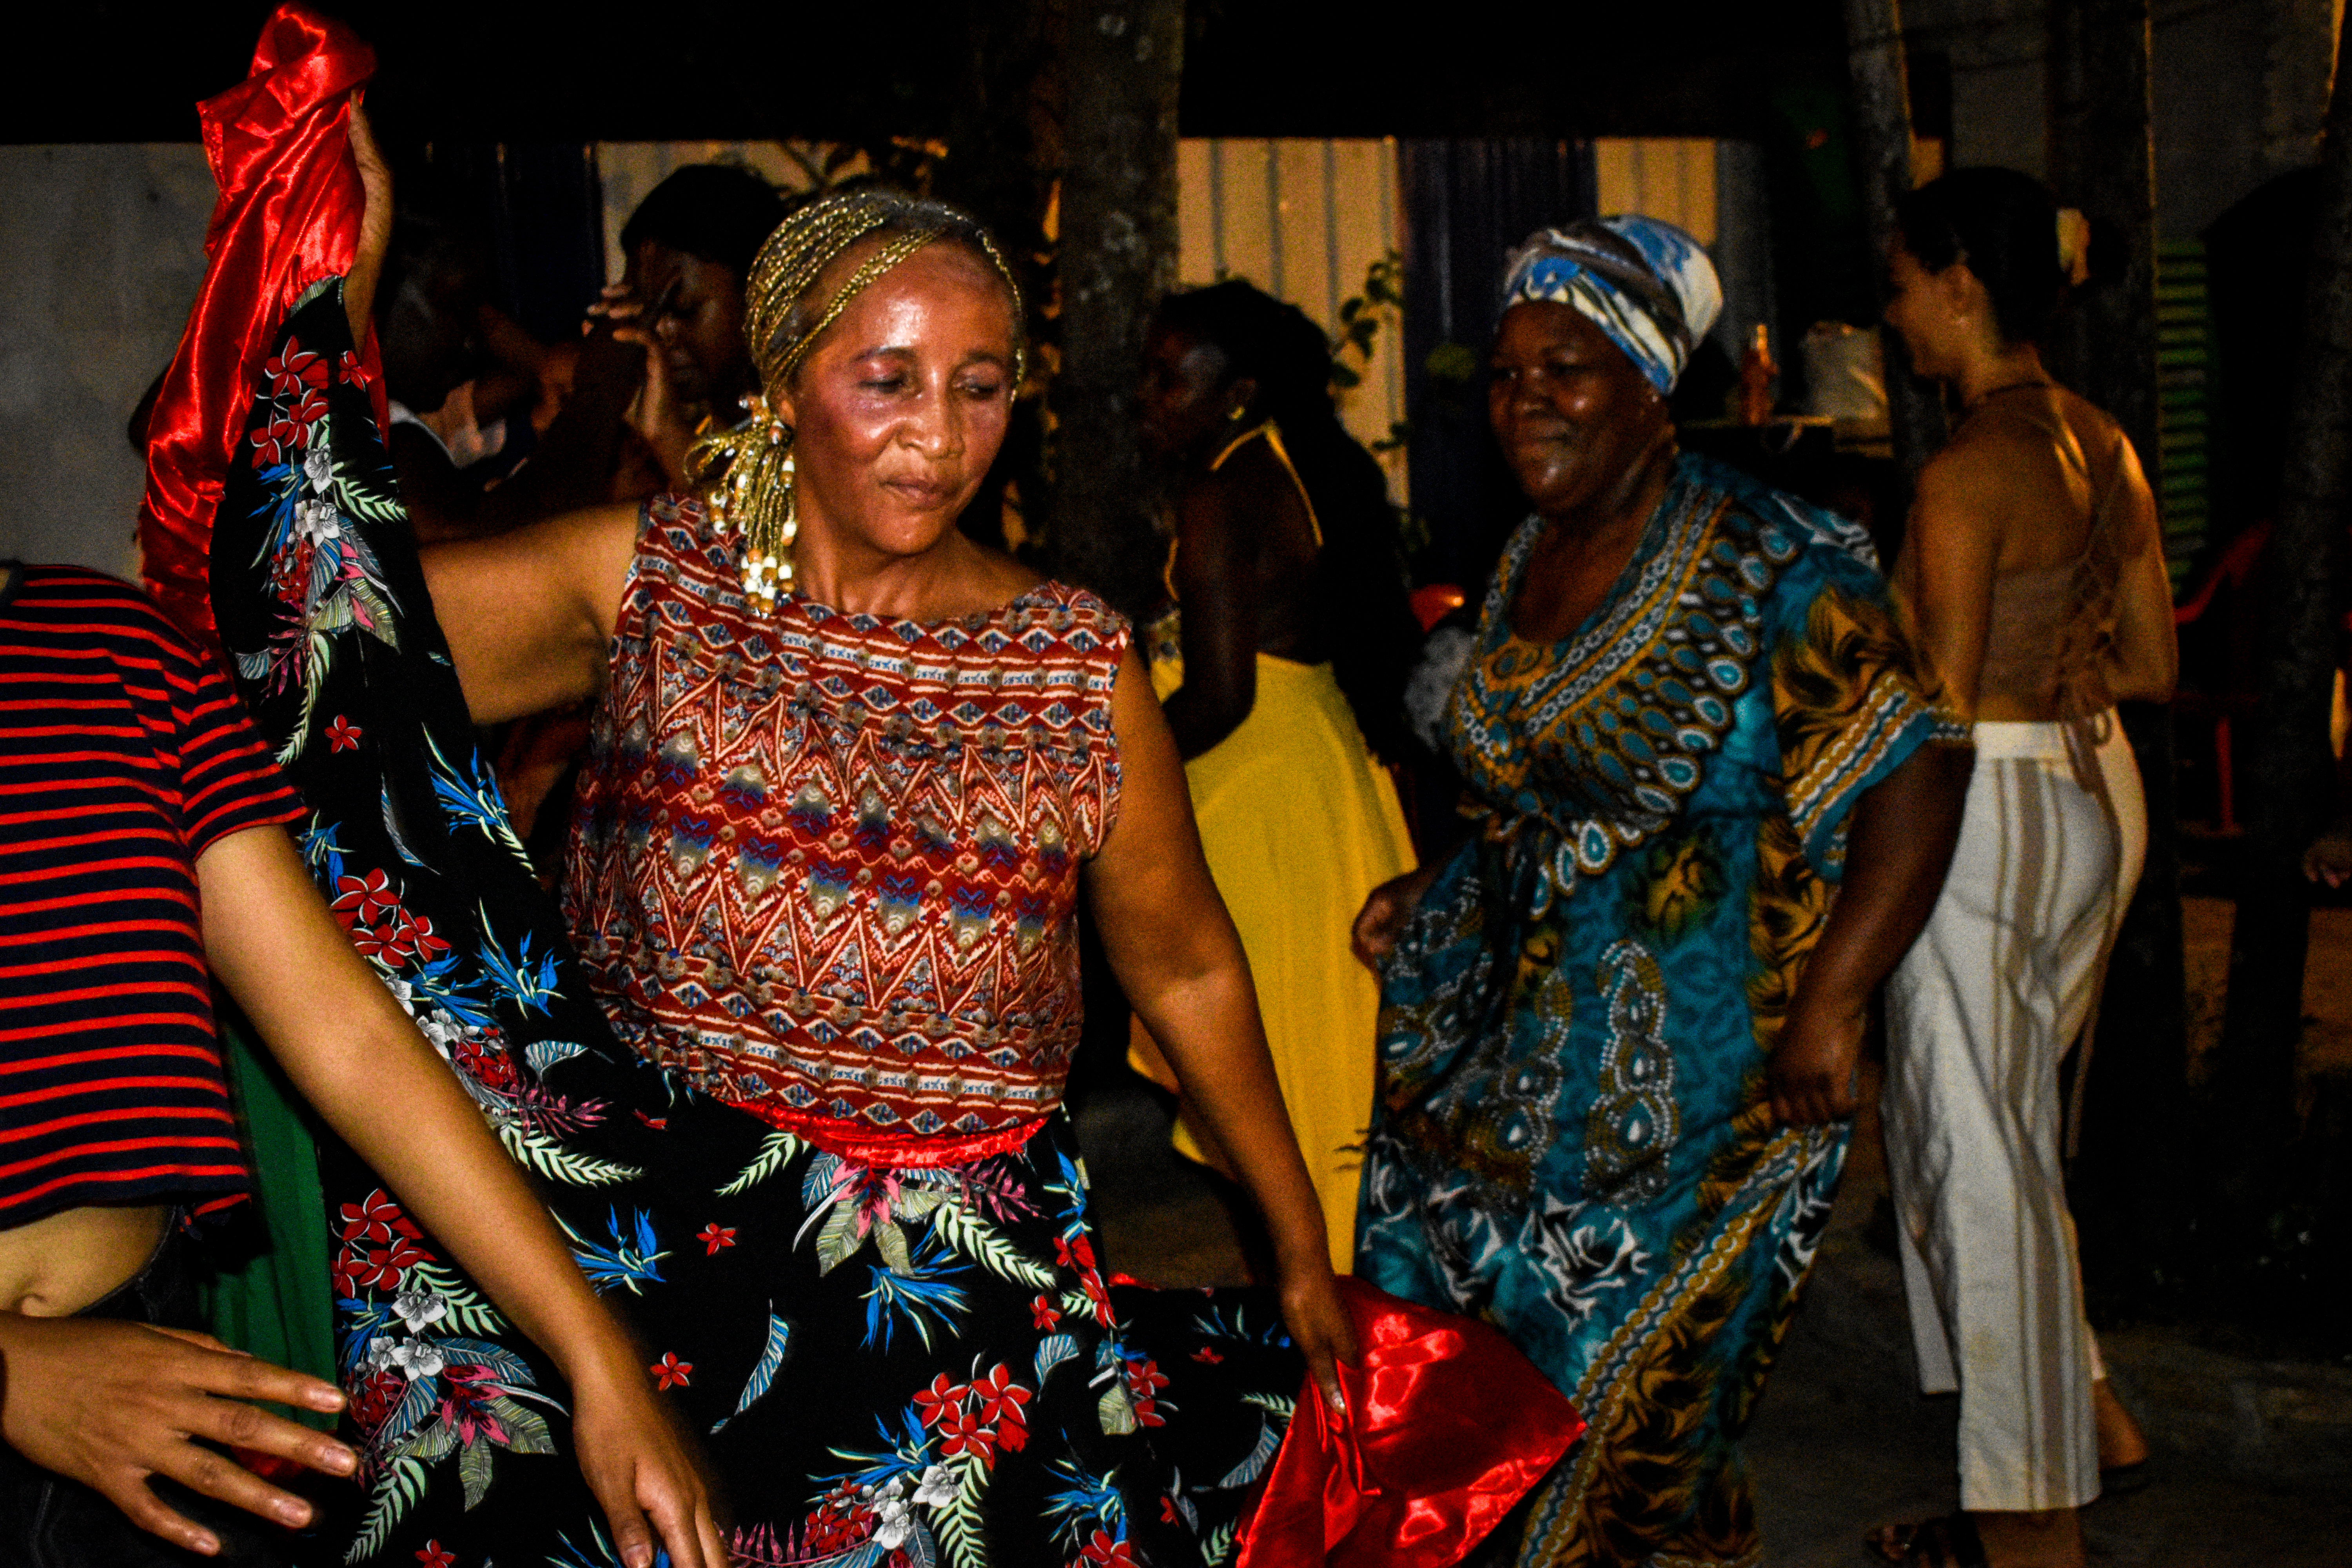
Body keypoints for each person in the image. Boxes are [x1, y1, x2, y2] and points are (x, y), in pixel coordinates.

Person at [419, 186, 1365, 1563]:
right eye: (889, 380)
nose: (940, 435)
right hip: (667, 1295)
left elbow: (1184, 963)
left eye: (980, 388)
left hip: (952, 1339)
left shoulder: (1071, 674)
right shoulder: (647, 589)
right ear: (791, 377)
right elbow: (343, 664)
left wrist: (1295, 1242)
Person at [1348, 216, 1969, 1568]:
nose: (1527, 402)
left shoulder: (1782, 562)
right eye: (1508, 374)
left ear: (1651, 383)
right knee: (1483, 1426)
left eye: (1566, 367)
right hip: (1498, 1092)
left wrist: (1834, 1007)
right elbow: (1536, 791)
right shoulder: (1530, 557)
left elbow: (1918, 773)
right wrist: (1436, 882)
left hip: (1703, 1093)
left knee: (1626, 1423)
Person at [0, 560, 722, 1568]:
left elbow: (349, 1036)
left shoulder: (109, 648)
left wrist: (596, 1354)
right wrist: (12, 1374)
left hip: (150, 1380)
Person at [1869, 168, 2178, 1568]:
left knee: (1974, 1159)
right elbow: (2157, 664)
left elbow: (1934, 705)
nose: (1895, 315)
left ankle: (2025, 1523)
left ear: (1959, 283)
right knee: (2005, 1141)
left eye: (1901, 284)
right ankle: (2091, 1417)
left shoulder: (1962, 472)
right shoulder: (2102, 442)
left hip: (1983, 810)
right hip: (2090, 790)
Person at [1129, 279, 1419, 1274]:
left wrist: (1103, 769)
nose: (1149, 396)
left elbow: (1217, 696)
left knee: (1263, 1089)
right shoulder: (1276, 470)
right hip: (1302, 780)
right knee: (1288, 1084)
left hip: (1259, 804)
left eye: (1173, 377)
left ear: (1240, 389)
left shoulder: (1225, 490)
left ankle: (1318, 1349)